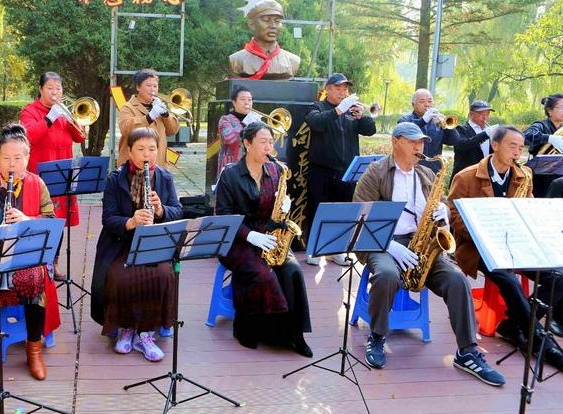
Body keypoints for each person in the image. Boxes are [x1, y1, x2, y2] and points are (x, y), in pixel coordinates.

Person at [353, 122, 504, 386]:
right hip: (383, 243)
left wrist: (442, 216)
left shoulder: (425, 174)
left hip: (422, 243)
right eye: (413, 142)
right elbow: (360, 219)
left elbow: (439, 204)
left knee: (457, 280)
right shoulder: (376, 173)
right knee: (387, 274)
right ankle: (377, 336)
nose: (419, 147)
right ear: (395, 141)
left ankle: (467, 351)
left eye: (421, 142)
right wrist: (390, 245)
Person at [448, 126, 563, 363]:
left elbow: (527, 211)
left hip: (515, 245)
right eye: (513, 146)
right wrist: (484, 235)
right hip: (478, 248)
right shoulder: (466, 176)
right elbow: (454, 217)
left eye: (521, 148)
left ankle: (514, 323)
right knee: (509, 279)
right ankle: (540, 340)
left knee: (559, 276)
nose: (518, 153)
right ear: (495, 145)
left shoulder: (523, 176)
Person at [0, 123, 61, 380]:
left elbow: (52, 223)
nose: (12, 164)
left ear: (28, 158)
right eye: (6, 158)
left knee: (35, 279)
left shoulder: (37, 183)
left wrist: (26, 220)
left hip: (27, 256)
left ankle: (34, 348)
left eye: (18, 158)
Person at [214, 121, 312, 356]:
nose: (269, 147)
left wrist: (285, 209)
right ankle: (252, 331)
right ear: (247, 144)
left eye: (271, 142)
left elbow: (276, 211)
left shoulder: (276, 170)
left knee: (293, 271)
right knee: (263, 274)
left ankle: (295, 334)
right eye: (263, 142)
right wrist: (251, 236)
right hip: (237, 239)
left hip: (269, 236)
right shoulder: (230, 175)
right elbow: (223, 217)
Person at [91, 128, 179, 362]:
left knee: (162, 274)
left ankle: (146, 333)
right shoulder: (115, 179)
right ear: (129, 151)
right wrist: (130, 221)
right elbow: (108, 219)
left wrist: (160, 210)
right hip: (121, 243)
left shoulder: (165, 177)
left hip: (154, 243)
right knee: (119, 275)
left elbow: (177, 211)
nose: (146, 154)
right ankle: (126, 328)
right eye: (140, 149)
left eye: (152, 149)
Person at [304, 73, 376, 265]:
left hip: (347, 171)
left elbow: (370, 130)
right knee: (318, 209)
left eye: (345, 89)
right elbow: (316, 123)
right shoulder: (317, 107)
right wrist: (338, 111)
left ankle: (337, 249)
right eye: (338, 88)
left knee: (344, 211)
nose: (343, 93)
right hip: (321, 170)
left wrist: (362, 117)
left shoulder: (351, 111)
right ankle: (314, 250)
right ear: (327, 89)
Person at [20, 72, 87, 279]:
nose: (55, 92)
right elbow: (29, 137)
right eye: (50, 88)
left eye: (58, 88)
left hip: (63, 174)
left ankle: (53, 262)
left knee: (58, 221)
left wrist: (75, 120)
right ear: (40, 90)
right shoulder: (30, 112)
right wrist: (49, 118)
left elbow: (79, 137)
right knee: (39, 219)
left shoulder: (63, 113)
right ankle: (35, 261)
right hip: (39, 176)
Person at [118, 69, 179, 168]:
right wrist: (149, 117)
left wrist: (166, 116)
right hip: (133, 166)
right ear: (138, 87)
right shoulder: (128, 107)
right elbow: (126, 129)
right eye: (148, 86)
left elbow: (172, 131)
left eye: (155, 86)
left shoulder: (159, 106)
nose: (153, 89)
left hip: (159, 164)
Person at [227, 0, 301, 79]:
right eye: (266, 20)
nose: (273, 26)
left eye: (277, 21)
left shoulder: (292, 61)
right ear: (251, 24)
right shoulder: (236, 60)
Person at [397, 88, 460, 173]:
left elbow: (455, 140)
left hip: (434, 171)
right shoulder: (405, 119)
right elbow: (406, 132)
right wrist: (423, 120)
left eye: (430, 101)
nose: (427, 105)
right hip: (411, 169)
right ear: (413, 104)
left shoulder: (437, 121)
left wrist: (445, 127)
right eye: (422, 102)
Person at [523, 93, 563, 198]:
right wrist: (549, 138)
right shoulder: (540, 125)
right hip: (541, 177)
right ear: (549, 110)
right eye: (562, 107)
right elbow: (525, 136)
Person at [217, 85, 261, 177]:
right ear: (234, 102)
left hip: (253, 165)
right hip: (231, 165)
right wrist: (247, 125)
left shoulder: (255, 119)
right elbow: (229, 138)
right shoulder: (225, 120)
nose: (247, 103)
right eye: (243, 99)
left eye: (249, 99)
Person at [451, 100, 499, 179]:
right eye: (481, 114)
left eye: (487, 114)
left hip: (486, 176)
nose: (485, 117)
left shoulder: (491, 131)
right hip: (465, 177)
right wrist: (485, 134)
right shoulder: (461, 129)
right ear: (471, 114)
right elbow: (462, 146)